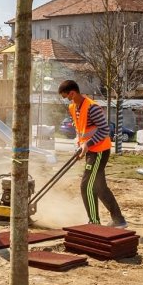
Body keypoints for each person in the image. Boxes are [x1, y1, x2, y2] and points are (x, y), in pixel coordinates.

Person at [58, 79, 126, 228]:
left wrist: (87, 145)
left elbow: (105, 130)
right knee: (100, 188)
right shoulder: (73, 107)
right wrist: (80, 146)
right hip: (90, 151)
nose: (66, 99)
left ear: (73, 92)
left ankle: (94, 222)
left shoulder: (92, 108)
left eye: (67, 96)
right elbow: (80, 131)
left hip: (100, 151)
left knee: (86, 186)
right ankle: (119, 220)